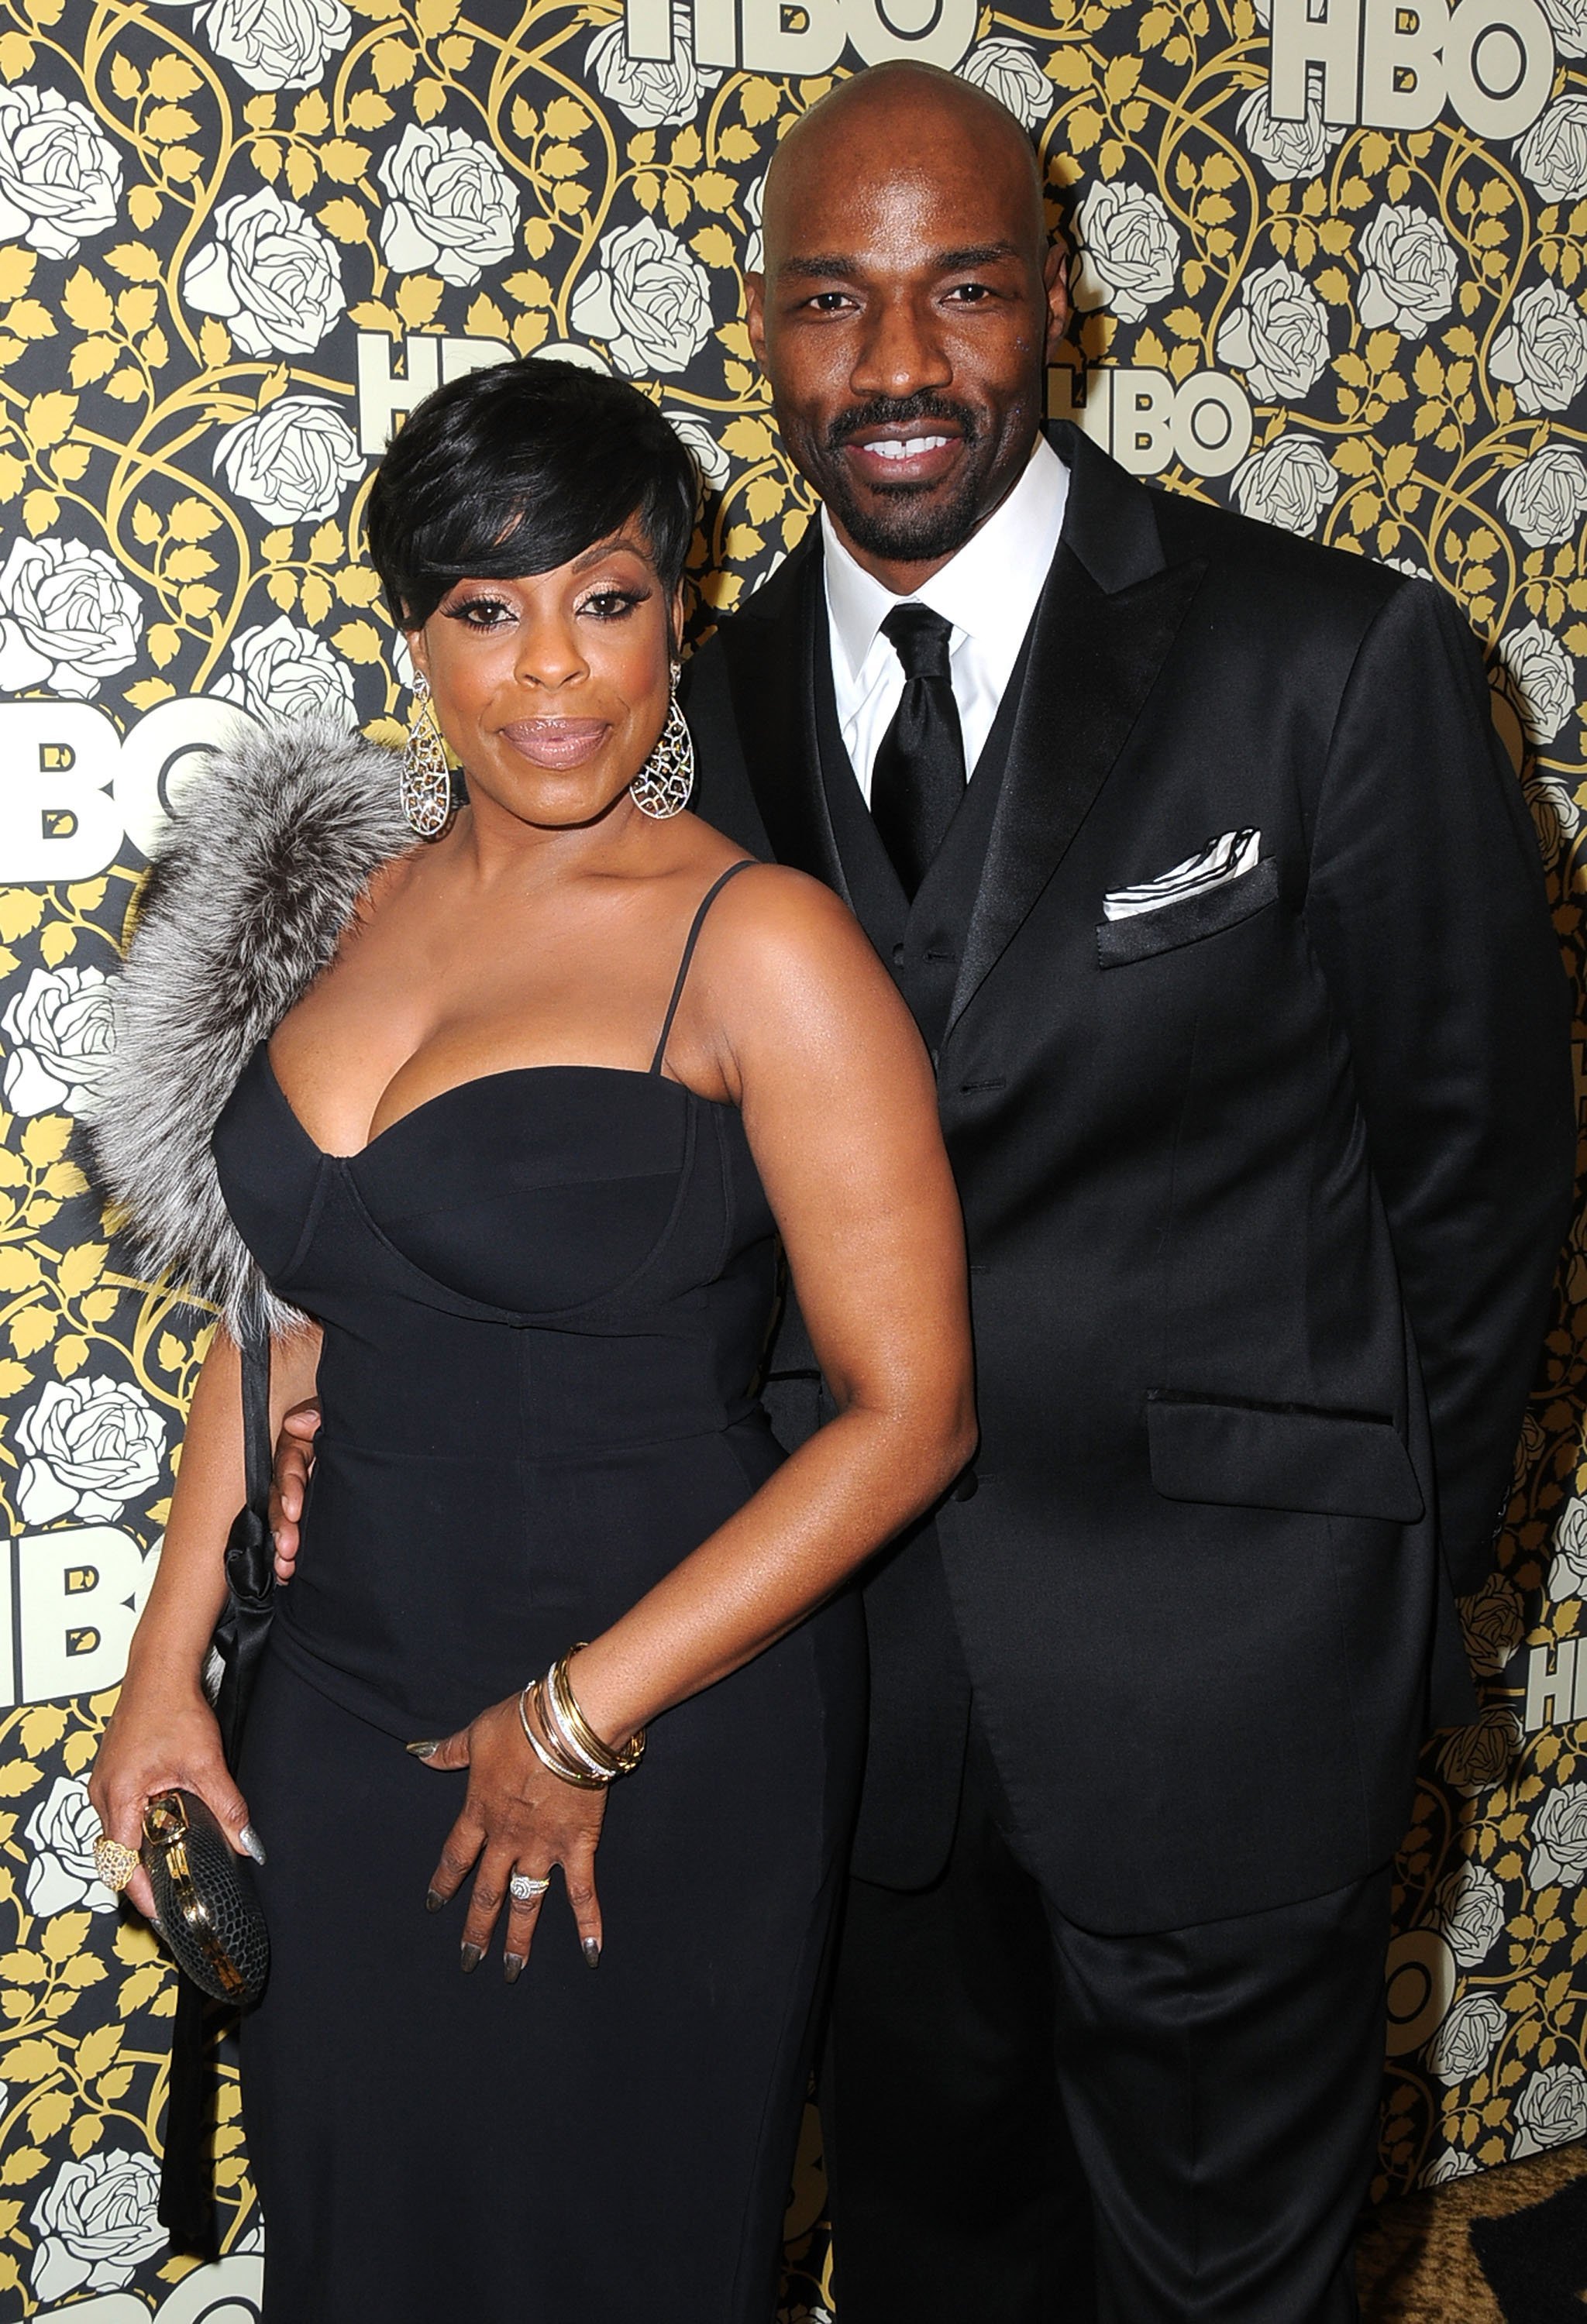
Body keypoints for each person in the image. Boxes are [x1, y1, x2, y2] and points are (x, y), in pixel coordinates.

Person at [266, 66, 1574, 2324]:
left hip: (1234, 1693)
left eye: (960, 291)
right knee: (944, 2275)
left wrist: (1370, 1593)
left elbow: (1485, 1173)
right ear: (759, 336)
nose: (894, 365)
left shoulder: (1327, 658)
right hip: (836, 1714)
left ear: (1054, 307)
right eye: (829, 304)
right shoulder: (700, 704)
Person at [86, 356, 975, 2324]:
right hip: (330, 1713)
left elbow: (909, 1417)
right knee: (368, 2251)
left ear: (678, 606)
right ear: (417, 636)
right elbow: (277, 1317)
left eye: (606, 597)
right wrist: (162, 1682)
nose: (552, 671)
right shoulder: (347, 908)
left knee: (608, 2264)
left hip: (658, 1727)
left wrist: (578, 1721)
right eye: (487, 610)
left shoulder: (761, 945)